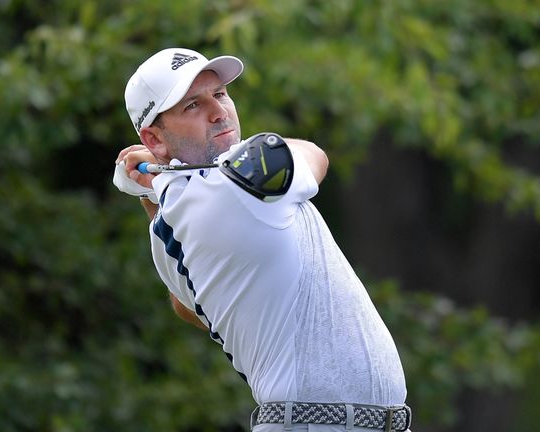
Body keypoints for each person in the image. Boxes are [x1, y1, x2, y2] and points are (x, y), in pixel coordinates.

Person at [113, 47, 411, 431]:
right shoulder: (244, 181)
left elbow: (189, 306)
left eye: (219, 94)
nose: (218, 112)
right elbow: (315, 155)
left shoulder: (171, 223)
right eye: (192, 106)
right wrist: (158, 185)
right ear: (153, 138)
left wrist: (150, 192)